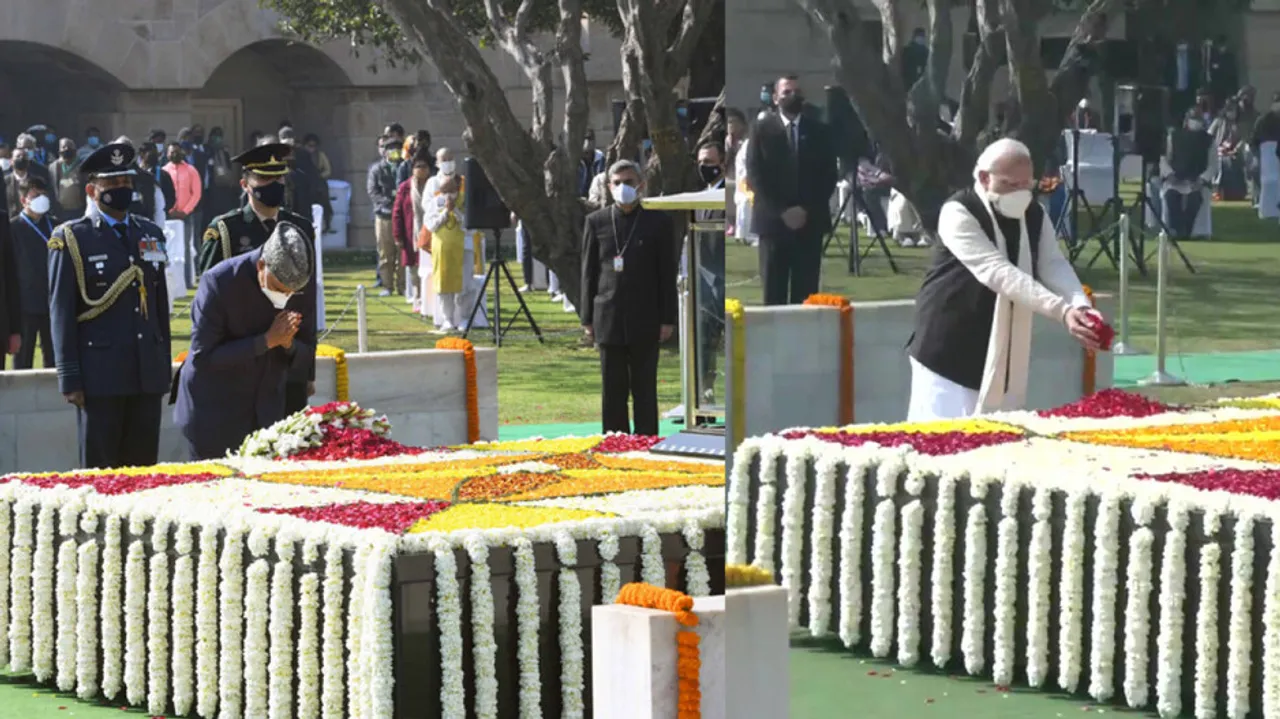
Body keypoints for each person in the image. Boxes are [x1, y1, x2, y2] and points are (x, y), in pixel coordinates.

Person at [905, 139, 1101, 421]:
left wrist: (1079, 305)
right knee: (941, 441)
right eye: (1011, 185)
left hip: (1002, 349)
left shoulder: (1034, 213)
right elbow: (998, 272)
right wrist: (1062, 311)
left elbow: (1052, 263)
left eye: (1027, 185)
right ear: (985, 178)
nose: (1021, 193)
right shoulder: (958, 211)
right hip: (947, 344)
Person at [48, 142, 172, 468]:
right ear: (92, 190)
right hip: (100, 378)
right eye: (112, 184)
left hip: (145, 374)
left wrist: (162, 367)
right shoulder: (73, 239)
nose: (122, 190)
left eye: (126, 183)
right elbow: (61, 312)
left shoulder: (151, 233)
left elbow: (159, 308)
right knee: (101, 474)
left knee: (144, 471)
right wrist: (70, 378)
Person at [173, 223, 314, 460]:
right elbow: (204, 358)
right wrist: (266, 341)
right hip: (213, 414)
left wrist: (288, 344)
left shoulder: (299, 284)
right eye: (280, 288)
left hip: (266, 415)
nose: (286, 297)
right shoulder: (219, 282)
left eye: (292, 292)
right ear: (261, 265)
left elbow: (307, 351)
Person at [196, 143, 317, 414]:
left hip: (288, 357)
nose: (273, 184)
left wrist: (308, 369)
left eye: (278, 178)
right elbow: (208, 301)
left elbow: (307, 301)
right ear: (245, 184)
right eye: (264, 178)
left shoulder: (301, 228)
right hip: (244, 359)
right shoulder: (225, 230)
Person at [579, 160, 677, 435]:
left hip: (646, 316)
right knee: (613, 388)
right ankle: (615, 441)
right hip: (607, 316)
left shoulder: (658, 222)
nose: (624, 187)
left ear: (641, 186)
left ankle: (646, 439)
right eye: (618, 183)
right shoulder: (595, 222)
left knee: (644, 387)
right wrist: (587, 318)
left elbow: (666, 274)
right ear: (609, 187)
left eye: (630, 182)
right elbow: (588, 273)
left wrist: (667, 319)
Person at [746, 75, 839, 305]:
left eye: (796, 91)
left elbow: (828, 175)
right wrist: (782, 211)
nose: (792, 95)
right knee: (773, 294)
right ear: (776, 98)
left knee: (806, 296)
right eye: (786, 92)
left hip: (809, 223)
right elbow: (755, 174)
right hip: (773, 223)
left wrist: (805, 209)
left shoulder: (820, 131)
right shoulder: (761, 130)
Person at [423, 148, 484, 332]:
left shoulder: (465, 187)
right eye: (444, 159)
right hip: (442, 245)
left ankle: (464, 318)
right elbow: (430, 220)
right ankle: (448, 319)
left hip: (463, 244)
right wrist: (445, 211)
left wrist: (455, 211)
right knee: (444, 283)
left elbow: (470, 222)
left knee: (465, 283)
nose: (449, 193)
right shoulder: (433, 188)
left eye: (451, 158)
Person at [9, 177, 55, 369]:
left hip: (52, 302)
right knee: (23, 358)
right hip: (24, 305)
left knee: (53, 358)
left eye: (43, 194)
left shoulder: (56, 225)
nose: (41, 199)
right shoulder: (12, 228)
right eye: (35, 195)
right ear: (23, 200)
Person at [695, 142, 727, 402]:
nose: (704, 167)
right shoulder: (700, 198)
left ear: (722, 163)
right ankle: (706, 391)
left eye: (709, 162)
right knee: (706, 340)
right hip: (704, 279)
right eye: (701, 162)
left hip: (725, 278)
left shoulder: (727, 194)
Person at [1163, 111, 1213, 239]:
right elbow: (1164, 159)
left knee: (1194, 200)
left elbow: (1213, 165)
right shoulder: (1173, 137)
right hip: (1176, 180)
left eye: (1198, 119)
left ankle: (1187, 230)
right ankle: (1176, 229)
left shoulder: (1208, 140)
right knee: (1171, 197)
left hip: (1196, 181)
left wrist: (1201, 180)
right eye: (1193, 118)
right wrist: (1169, 175)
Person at [393, 150, 429, 311]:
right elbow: (397, 212)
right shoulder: (405, 187)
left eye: (424, 166)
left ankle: (430, 300)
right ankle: (418, 298)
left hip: (430, 233)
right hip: (411, 234)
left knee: (429, 268)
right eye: (418, 166)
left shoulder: (434, 185)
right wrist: (398, 236)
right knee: (414, 269)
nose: (421, 170)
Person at [368, 136, 403, 297]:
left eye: (397, 148)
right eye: (391, 148)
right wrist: (389, 201)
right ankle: (387, 286)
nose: (395, 152)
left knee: (402, 252)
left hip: (402, 216)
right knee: (385, 252)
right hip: (384, 215)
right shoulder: (377, 169)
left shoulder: (404, 167)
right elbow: (373, 192)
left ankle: (402, 286)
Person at [52, 138, 85, 218]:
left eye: (69, 147)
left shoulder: (83, 165)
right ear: (59, 151)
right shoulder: (53, 167)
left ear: (75, 149)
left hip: (79, 210)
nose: (67, 149)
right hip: (61, 211)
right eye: (63, 147)